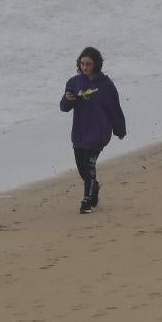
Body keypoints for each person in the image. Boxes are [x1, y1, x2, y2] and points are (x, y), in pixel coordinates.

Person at [59, 46, 126, 214]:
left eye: (88, 64)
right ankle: (93, 187)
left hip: (99, 132)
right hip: (80, 132)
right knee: (83, 169)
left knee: (89, 166)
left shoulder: (106, 85)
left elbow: (114, 109)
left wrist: (119, 129)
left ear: (96, 64)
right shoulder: (74, 82)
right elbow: (64, 107)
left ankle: (86, 201)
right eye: (82, 63)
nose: (85, 67)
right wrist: (68, 99)